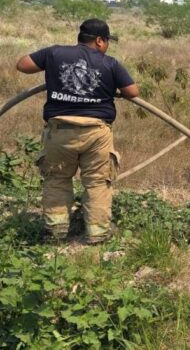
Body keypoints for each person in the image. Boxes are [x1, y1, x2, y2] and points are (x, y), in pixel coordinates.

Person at [15, 18, 139, 244]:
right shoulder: (110, 63)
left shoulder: (54, 53)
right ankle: (97, 233)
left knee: (57, 178)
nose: (107, 45)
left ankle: (56, 231)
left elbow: (23, 65)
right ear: (100, 41)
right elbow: (132, 91)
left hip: (60, 131)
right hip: (96, 133)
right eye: (107, 41)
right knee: (97, 182)